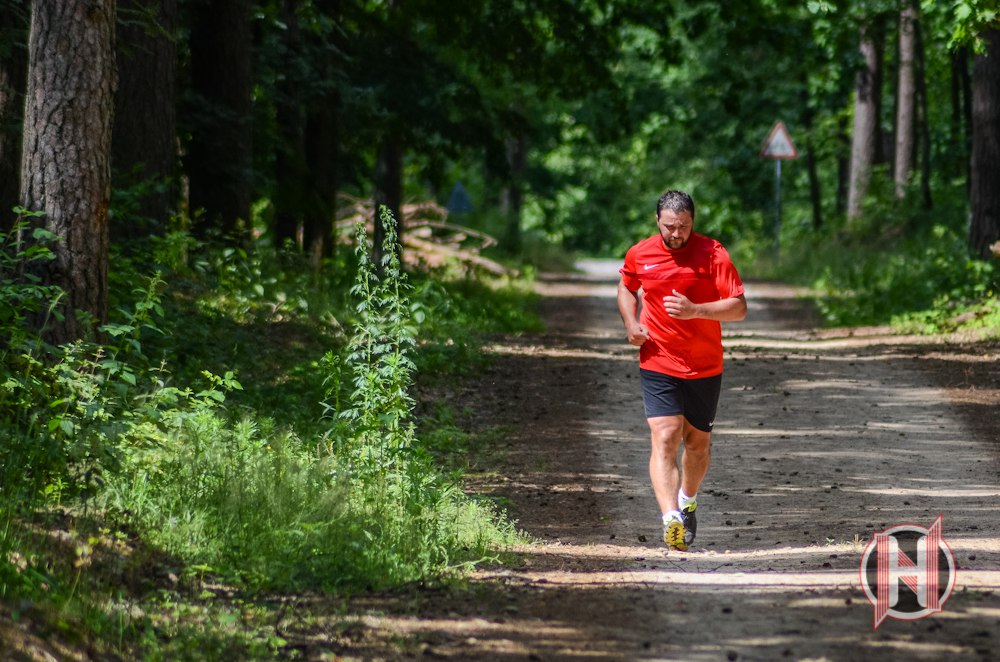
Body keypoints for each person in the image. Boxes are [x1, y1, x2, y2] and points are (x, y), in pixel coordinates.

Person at [617, 190, 747, 551]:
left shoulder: (713, 253)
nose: (677, 234)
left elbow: (739, 307)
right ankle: (670, 517)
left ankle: (688, 500)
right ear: (657, 221)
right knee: (665, 435)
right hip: (658, 358)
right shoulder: (640, 253)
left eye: (684, 227)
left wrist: (696, 311)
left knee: (697, 444)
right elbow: (627, 289)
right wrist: (630, 323)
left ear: (694, 222)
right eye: (670, 227)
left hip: (704, 365)